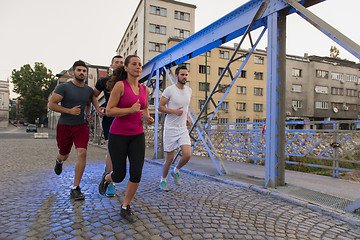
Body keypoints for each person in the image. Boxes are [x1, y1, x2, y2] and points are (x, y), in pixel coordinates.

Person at [98, 55, 154, 222]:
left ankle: (125, 206)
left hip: (137, 135)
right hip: (118, 135)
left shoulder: (145, 90)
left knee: (136, 173)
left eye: (140, 65)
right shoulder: (119, 86)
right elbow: (109, 111)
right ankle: (107, 178)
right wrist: (129, 110)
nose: (138, 67)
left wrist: (148, 117)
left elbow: (143, 109)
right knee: (119, 175)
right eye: (134, 64)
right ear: (127, 68)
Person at [48, 60, 104, 201]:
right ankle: (59, 161)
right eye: (79, 70)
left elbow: (90, 100)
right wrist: (69, 111)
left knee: (82, 152)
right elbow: (52, 105)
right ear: (73, 72)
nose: (82, 73)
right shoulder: (64, 88)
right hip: (65, 126)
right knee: (64, 154)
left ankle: (75, 188)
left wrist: (90, 113)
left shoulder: (88, 90)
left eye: (84, 71)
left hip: (80, 126)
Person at [93, 55, 124, 197]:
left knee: (120, 154)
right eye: (116, 62)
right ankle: (110, 183)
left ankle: (108, 174)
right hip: (109, 119)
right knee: (112, 151)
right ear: (111, 65)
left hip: (124, 118)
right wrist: (97, 109)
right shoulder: (104, 81)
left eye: (122, 62)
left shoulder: (127, 82)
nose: (119, 64)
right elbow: (93, 95)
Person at [158, 65, 192, 191]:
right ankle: (163, 180)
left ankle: (176, 170)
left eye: (186, 75)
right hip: (170, 128)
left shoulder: (189, 90)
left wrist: (187, 118)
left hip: (182, 128)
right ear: (176, 76)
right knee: (170, 158)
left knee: (187, 155)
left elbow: (185, 107)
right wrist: (173, 111)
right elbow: (160, 107)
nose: (184, 77)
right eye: (182, 74)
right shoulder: (169, 90)